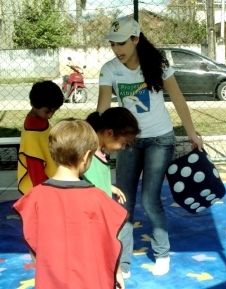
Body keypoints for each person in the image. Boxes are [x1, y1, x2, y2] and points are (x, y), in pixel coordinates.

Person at [97, 15, 203, 276]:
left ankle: (162, 252)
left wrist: (192, 133)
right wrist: (95, 143)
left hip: (160, 139)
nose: (117, 49)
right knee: (123, 201)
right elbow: (102, 110)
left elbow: (178, 101)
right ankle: (123, 262)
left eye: (121, 43)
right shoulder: (109, 69)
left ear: (135, 39)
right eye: (112, 44)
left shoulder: (158, 63)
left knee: (149, 198)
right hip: (127, 142)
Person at [13, 119, 128, 289]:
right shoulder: (98, 198)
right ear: (87, 156)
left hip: (51, 281)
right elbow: (110, 245)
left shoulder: (35, 198)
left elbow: (33, 244)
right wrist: (116, 271)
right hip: (92, 281)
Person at [84, 107, 139, 279]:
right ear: (109, 132)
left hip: (100, 213)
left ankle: (119, 267)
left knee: (124, 226)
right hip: (91, 219)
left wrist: (109, 187)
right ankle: (116, 270)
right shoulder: (87, 155)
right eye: (124, 143)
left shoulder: (98, 152)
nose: (123, 148)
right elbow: (84, 184)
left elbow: (94, 179)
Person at [17, 80, 64, 194]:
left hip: (49, 182)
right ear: (34, 104)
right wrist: (45, 194)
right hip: (41, 188)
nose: (50, 115)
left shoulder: (39, 120)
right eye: (47, 111)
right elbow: (36, 172)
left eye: (54, 111)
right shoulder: (31, 134)